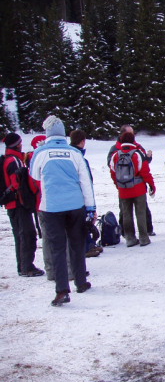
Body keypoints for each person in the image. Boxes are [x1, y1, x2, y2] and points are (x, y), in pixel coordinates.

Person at [30, 116, 96, 306]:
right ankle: (81, 282)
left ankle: (62, 291)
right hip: (75, 205)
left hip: (51, 207)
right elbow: (85, 182)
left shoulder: (41, 152)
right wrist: (90, 208)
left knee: (57, 249)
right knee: (76, 244)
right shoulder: (74, 153)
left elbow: (34, 174)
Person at [1, 133, 44, 278]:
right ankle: (26, 266)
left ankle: (22, 265)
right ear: (17, 144)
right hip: (18, 203)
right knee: (27, 234)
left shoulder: (8, 159)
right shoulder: (14, 161)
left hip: (11, 203)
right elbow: (15, 183)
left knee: (19, 235)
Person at [109, 131, 155, 247]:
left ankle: (130, 238)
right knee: (140, 213)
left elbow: (113, 172)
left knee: (126, 214)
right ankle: (144, 238)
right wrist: (151, 185)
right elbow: (145, 172)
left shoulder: (115, 155)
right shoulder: (138, 154)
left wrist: (118, 185)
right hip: (138, 188)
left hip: (123, 189)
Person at [70, 130, 103, 258]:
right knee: (81, 220)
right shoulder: (79, 158)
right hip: (80, 195)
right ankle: (85, 246)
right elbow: (86, 180)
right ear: (83, 141)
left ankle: (88, 244)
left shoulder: (70, 155)